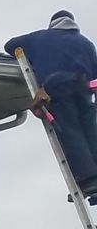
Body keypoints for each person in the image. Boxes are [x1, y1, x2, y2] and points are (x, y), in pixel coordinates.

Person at [7, 11, 97, 199]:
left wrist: (33, 58)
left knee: (70, 131)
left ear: (52, 24)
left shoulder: (39, 38)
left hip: (58, 88)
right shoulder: (86, 44)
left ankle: (89, 180)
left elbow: (10, 45)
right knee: (91, 133)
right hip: (84, 91)